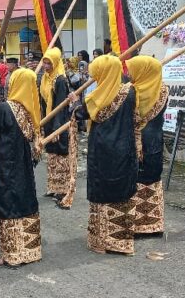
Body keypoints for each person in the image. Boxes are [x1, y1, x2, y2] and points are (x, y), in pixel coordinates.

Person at [69, 55, 139, 255]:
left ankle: (101, 242)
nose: (95, 78)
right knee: (122, 191)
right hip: (124, 149)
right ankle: (122, 243)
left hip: (102, 151)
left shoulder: (98, 97)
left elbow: (81, 114)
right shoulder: (130, 92)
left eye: (97, 74)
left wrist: (74, 102)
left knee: (102, 191)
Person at [0, 68, 42, 268]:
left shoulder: (7, 108)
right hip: (23, 165)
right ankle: (29, 251)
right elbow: (3, 118)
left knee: (8, 203)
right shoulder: (31, 111)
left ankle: (11, 254)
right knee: (24, 200)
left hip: (6, 164)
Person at [126, 56, 169, 236]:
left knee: (135, 181)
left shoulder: (131, 92)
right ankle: (153, 224)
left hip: (134, 143)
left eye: (132, 69)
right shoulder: (164, 90)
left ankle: (135, 225)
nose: (128, 73)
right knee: (152, 180)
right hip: (155, 142)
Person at [40, 47, 75, 210]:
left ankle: (62, 189)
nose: (46, 66)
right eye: (45, 62)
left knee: (61, 156)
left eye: (49, 63)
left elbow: (61, 106)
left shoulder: (60, 80)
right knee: (52, 156)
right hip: (48, 121)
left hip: (58, 123)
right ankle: (53, 187)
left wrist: (56, 129)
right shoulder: (46, 78)